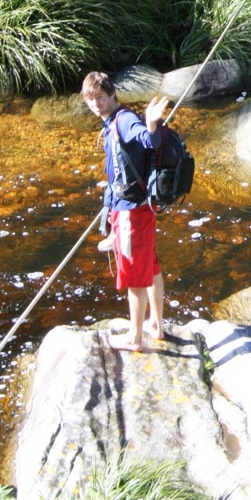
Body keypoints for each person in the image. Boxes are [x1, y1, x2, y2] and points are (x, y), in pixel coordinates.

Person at [82, 71, 169, 351]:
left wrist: (152, 124)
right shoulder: (112, 123)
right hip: (136, 209)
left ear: (112, 95)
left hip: (132, 212)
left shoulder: (126, 120)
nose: (96, 103)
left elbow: (148, 140)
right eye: (90, 99)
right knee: (150, 265)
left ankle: (135, 337)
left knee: (133, 274)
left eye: (100, 97)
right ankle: (155, 325)